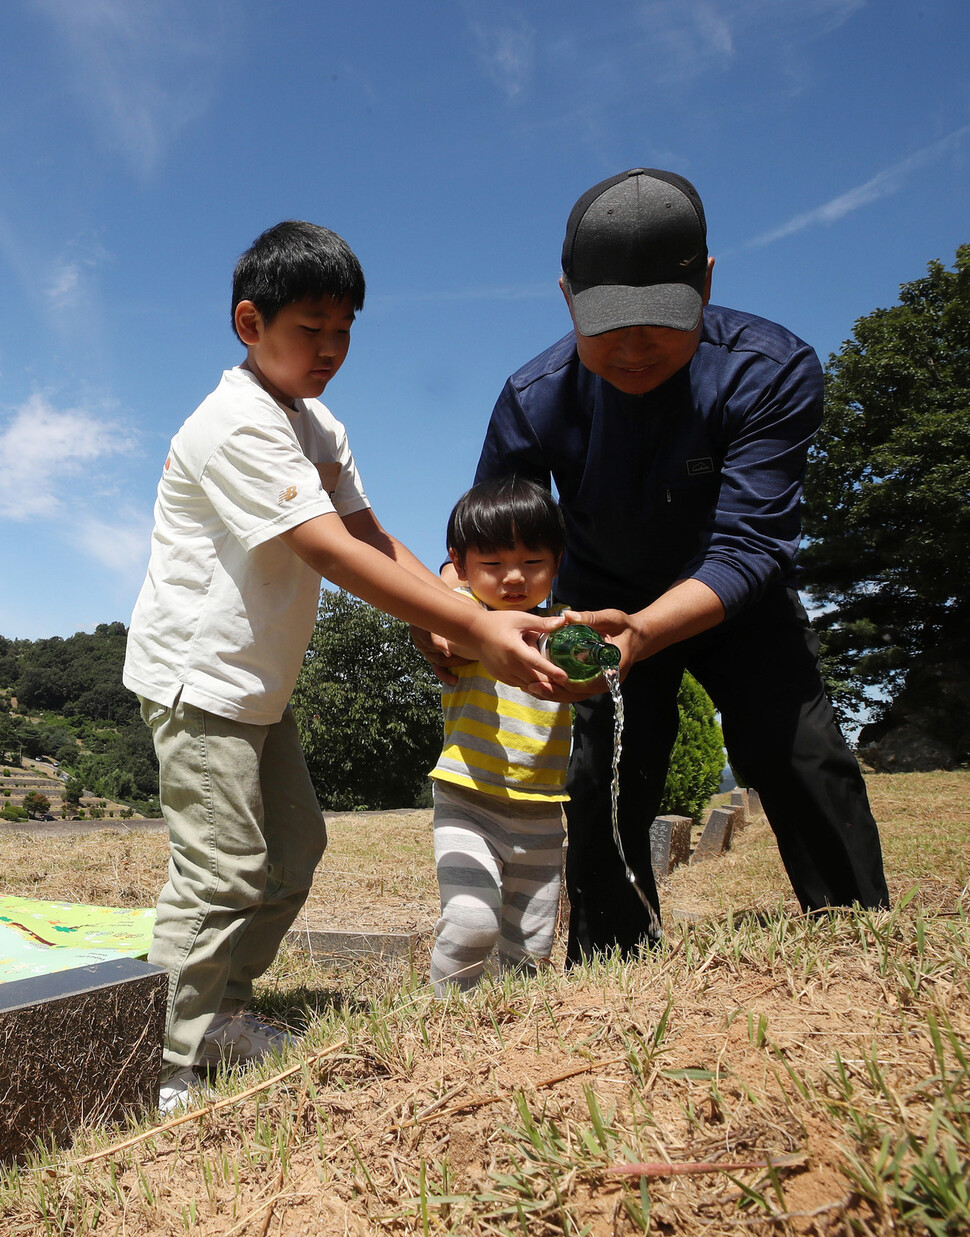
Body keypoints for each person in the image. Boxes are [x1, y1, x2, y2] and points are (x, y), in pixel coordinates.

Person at [123, 221, 569, 1113]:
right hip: (198, 678)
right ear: (250, 323)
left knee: (293, 850)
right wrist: (478, 632)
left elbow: (370, 533)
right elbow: (325, 548)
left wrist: (456, 619)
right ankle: (156, 1063)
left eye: (345, 330)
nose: (331, 350)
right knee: (222, 869)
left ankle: (220, 1016)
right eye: (310, 329)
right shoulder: (234, 423)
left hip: (260, 681)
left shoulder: (317, 423)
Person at [423, 167, 890, 965]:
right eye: (607, 328)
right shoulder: (534, 398)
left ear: (707, 282)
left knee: (801, 749)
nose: (634, 350)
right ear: (567, 298)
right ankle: (613, 954)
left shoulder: (769, 371)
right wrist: (450, 603)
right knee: (598, 771)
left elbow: (754, 545)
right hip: (596, 602)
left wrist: (648, 626)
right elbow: (489, 536)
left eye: (660, 325)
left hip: (733, 594)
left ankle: (860, 935)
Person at [429, 476, 572, 995]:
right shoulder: (467, 624)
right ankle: (443, 1027)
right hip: (468, 799)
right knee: (470, 924)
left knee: (530, 949)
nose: (514, 578)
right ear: (461, 565)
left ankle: (511, 1037)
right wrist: (453, 594)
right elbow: (444, 619)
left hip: (541, 809)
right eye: (492, 565)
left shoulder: (562, 634)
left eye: (533, 562)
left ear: (557, 562)